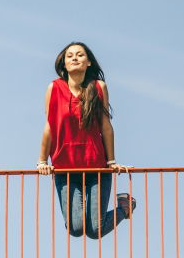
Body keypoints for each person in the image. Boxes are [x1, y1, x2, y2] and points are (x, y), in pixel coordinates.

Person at [36, 42, 135, 239]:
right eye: (70, 55)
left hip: (96, 167)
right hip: (66, 169)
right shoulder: (54, 88)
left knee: (95, 230)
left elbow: (106, 125)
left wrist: (112, 162)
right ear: (63, 63)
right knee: (75, 228)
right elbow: (50, 127)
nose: (74, 58)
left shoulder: (98, 87)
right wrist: (42, 161)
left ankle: (125, 207)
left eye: (80, 55)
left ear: (88, 62)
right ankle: (120, 209)